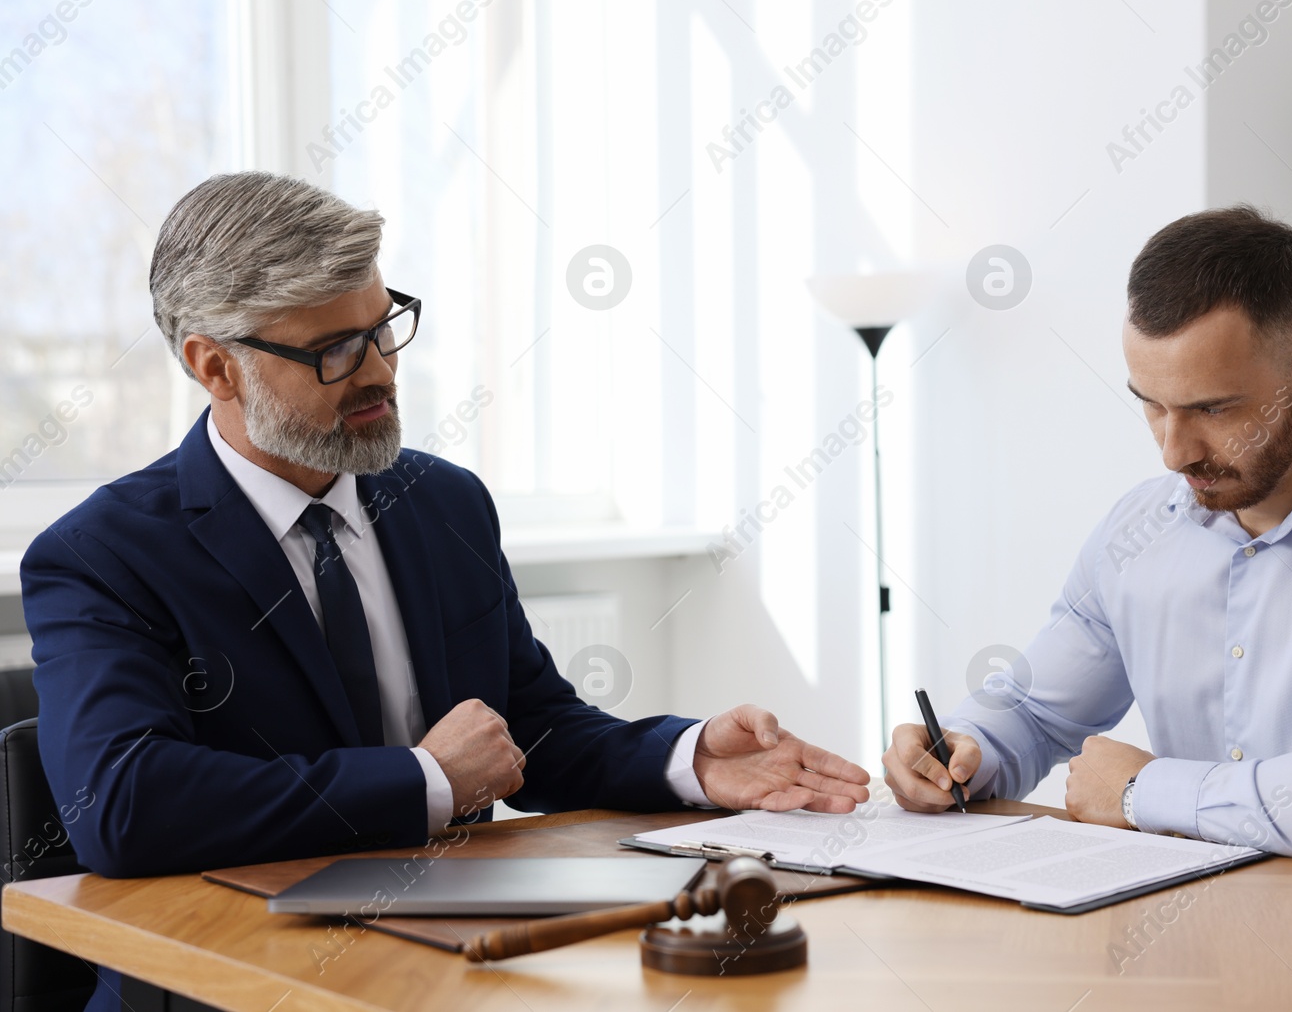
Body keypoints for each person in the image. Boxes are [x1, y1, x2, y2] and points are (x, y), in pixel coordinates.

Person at [22, 173, 868, 882]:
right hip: (226, 974)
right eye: (335, 351)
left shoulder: (444, 501)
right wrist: (424, 778)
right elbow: (127, 805)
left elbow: (529, 729)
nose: (382, 371)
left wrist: (689, 759)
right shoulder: (102, 557)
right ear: (215, 366)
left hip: (451, 949)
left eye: (384, 327)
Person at [884, 205, 1292, 884]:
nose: (1173, 451)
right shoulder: (1139, 532)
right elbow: (1037, 711)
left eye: (1213, 409)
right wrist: (962, 748)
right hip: (1201, 940)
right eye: (1152, 404)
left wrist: (1143, 792)